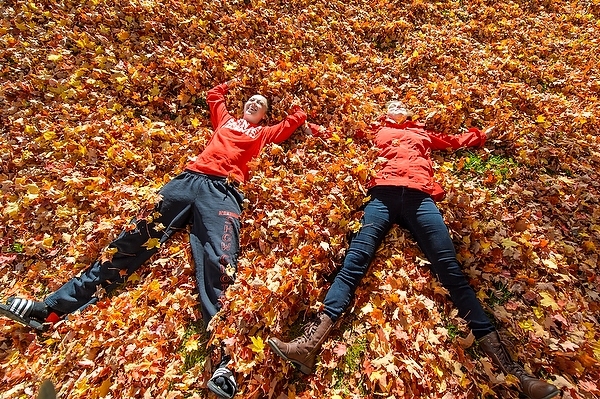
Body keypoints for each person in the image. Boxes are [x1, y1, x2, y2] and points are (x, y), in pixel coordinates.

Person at [0, 78, 310, 399]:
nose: (254, 105)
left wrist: (294, 102)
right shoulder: (226, 120)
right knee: (129, 240)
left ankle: (225, 359)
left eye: (261, 105)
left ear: (265, 117)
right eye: (251, 100)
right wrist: (235, 82)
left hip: (224, 194)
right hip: (188, 180)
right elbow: (214, 95)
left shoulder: (263, 133)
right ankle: (50, 309)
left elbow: (293, 121)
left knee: (220, 261)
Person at [268, 100, 560, 399]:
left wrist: (482, 134)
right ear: (385, 113)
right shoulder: (376, 130)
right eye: (390, 103)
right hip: (382, 195)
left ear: (408, 114)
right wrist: (309, 126)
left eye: (400, 104)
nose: (395, 105)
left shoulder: (422, 134)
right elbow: (342, 136)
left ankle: (515, 372)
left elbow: (453, 142)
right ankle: (308, 344)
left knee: (451, 272)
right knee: (354, 263)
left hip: (421, 199)